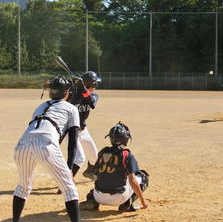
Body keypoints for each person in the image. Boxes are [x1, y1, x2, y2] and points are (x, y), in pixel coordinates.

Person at [12, 76, 80, 222]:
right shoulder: (72, 108)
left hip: (22, 144)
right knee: (69, 189)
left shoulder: (41, 106)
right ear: (67, 92)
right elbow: (73, 141)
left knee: (23, 187)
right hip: (45, 143)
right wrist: (69, 168)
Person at [79, 122, 149, 212]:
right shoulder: (126, 154)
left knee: (103, 181)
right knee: (143, 176)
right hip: (119, 198)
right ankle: (127, 204)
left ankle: (92, 200)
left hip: (98, 196)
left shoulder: (103, 152)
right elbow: (132, 180)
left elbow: (95, 173)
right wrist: (143, 201)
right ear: (126, 138)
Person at [66, 71, 101, 181]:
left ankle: (89, 172)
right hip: (71, 130)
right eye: (95, 84)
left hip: (83, 130)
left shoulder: (94, 96)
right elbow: (63, 96)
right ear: (92, 85)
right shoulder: (74, 94)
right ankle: (66, 182)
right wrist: (73, 85)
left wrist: (82, 88)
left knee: (94, 157)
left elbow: (91, 102)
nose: (96, 86)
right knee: (79, 158)